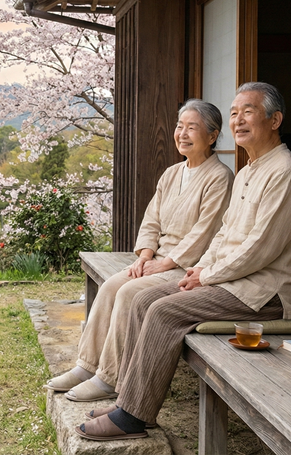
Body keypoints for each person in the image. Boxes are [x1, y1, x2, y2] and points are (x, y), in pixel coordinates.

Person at [76, 82, 291, 441]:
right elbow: (224, 234)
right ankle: (127, 398)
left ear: (275, 119)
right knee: (142, 298)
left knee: (163, 311)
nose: (238, 120)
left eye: (248, 112)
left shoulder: (286, 172)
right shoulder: (250, 170)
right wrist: (202, 270)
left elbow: (260, 248)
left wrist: (208, 276)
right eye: (234, 113)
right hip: (232, 282)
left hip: (266, 293)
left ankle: (133, 418)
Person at [45, 99, 233, 402]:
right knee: (110, 287)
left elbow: (206, 233)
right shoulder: (171, 173)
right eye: (179, 126)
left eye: (192, 128)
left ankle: (110, 378)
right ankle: (86, 366)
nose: (182, 134)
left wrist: (166, 263)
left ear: (212, 136)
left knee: (129, 293)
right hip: (156, 260)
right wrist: (145, 256)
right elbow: (152, 220)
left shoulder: (220, 177)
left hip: (188, 267)